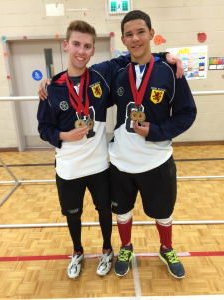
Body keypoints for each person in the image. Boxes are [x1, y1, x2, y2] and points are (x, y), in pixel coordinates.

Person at [37, 20, 184, 279]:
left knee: (107, 210)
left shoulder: (102, 74)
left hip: (99, 166)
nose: (81, 51)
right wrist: (64, 135)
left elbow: (138, 51)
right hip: (70, 168)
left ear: (93, 50)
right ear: (66, 45)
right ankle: (78, 252)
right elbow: (43, 128)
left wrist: (167, 56)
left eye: (87, 46)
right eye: (76, 44)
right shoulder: (52, 87)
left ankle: (110, 249)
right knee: (75, 214)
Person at [108, 10, 197, 279]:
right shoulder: (118, 71)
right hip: (121, 161)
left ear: (151, 34)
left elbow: (186, 113)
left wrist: (156, 130)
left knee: (163, 212)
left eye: (141, 32)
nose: (135, 38)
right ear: (123, 40)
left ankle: (166, 248)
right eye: (129, 34)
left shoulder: (170, 71)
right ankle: (126, 247)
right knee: (121, 211)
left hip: (156, 160)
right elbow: (83, 78)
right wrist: (51, 81)